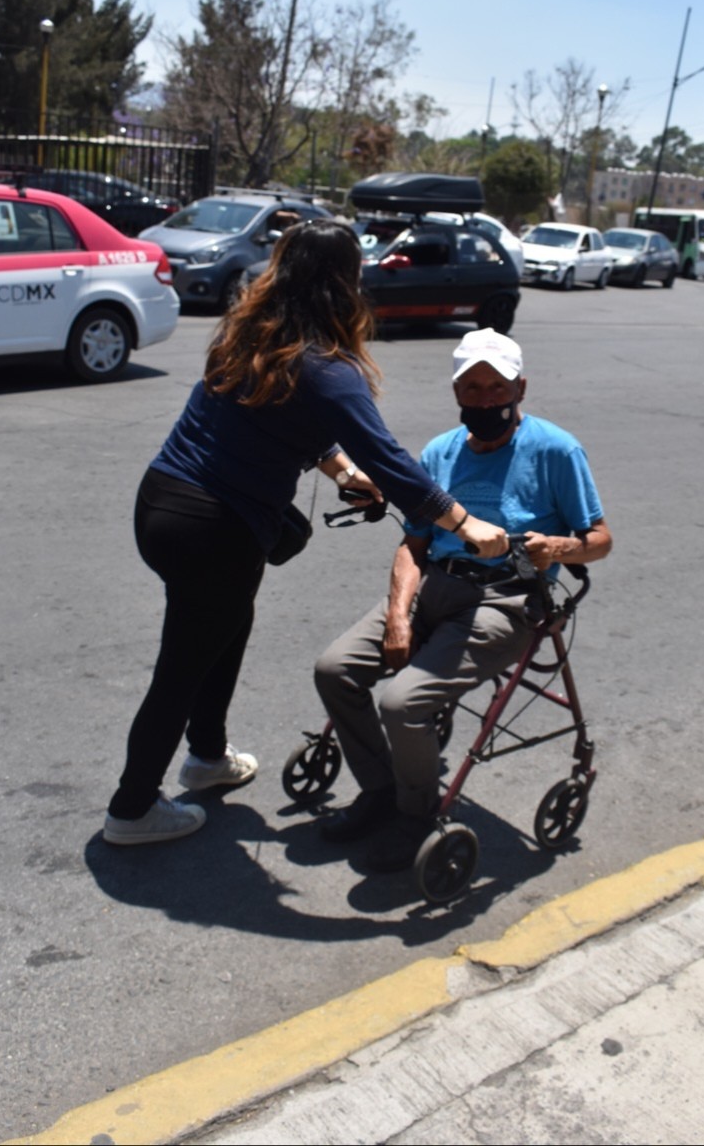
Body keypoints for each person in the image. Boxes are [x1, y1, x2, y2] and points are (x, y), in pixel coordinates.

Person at [103, 220, 507, 845]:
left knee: (225, 629)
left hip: (162, 504)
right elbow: (394, 462)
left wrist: (342, 472)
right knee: (181, 667)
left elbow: (296, 423)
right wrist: (463, 521)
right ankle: (131, 810)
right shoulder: (328, 367)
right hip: (215, 530)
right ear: (347, 284)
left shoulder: (247, 335)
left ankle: (207, 757)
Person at [314, 327, 613, 872]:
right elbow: (414, 543)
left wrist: (558, 546)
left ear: (520, 387)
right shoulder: (440, 451)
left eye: (496, 387)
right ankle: (381, 790)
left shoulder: (555, 449)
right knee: (334, 669)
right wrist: (398, 619)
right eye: (471, 388)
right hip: (434, 587)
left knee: (402, 704)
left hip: (504, 600)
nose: (484, 399)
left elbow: (600, 540)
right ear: (456, 393)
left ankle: (415, 814)